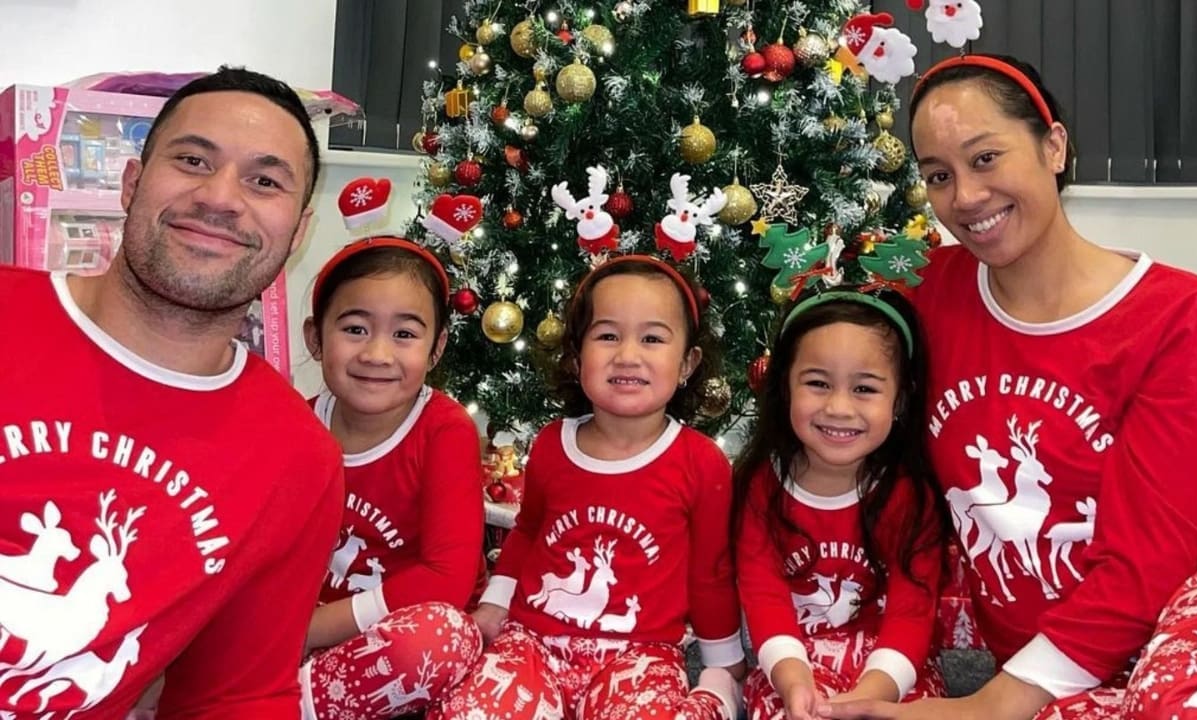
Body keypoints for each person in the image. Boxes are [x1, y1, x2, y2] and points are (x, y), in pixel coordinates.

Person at [820, 53, 1197, 720]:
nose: (965, 197)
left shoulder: (1179, 315)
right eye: (939, 176)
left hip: (1191, 587)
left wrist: (988, 705)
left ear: (1054, 147)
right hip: (1036, 629)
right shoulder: (925, 292)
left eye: (986, 158)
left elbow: (1148, 561)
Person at [0, 67, 344, 717]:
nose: (220, 197)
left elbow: (235, 697)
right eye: (192, 160)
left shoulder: (297, 460)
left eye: (264, 181)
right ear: (132, 183)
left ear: (297, 232)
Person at [443, 255, 746, 720]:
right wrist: (494, 605)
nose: (628, 355)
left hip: (641, 654)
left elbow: (711, 571)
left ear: (687, 363)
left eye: (652, 338)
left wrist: (724, 659)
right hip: (532, 642)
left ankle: (715, 698)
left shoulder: (701, 462)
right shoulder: (552, 444)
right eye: (607, 336)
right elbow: (527, 532)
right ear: (576, 357)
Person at [732, 285, 949, 720]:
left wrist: (872, 693)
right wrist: (794, 681)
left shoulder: (909, 495)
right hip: (794, 661)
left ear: (900, 398)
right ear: (784, 386)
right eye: (817, 384)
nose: (838, 407)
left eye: (864, 388)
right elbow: (763, 595)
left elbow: (912, 612)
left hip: (891, 667)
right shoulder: (760, 487)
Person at [298, 236, 485, 719]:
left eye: (404, 334)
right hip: (306, 633)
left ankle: (287, 704)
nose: (378, 354)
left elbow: (447, 579)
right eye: (355, 329)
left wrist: (305, 632)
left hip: (397, 638)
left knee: (445, 635)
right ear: (315, 338)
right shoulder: (295, 426)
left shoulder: (444, 431)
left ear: (437, 348)